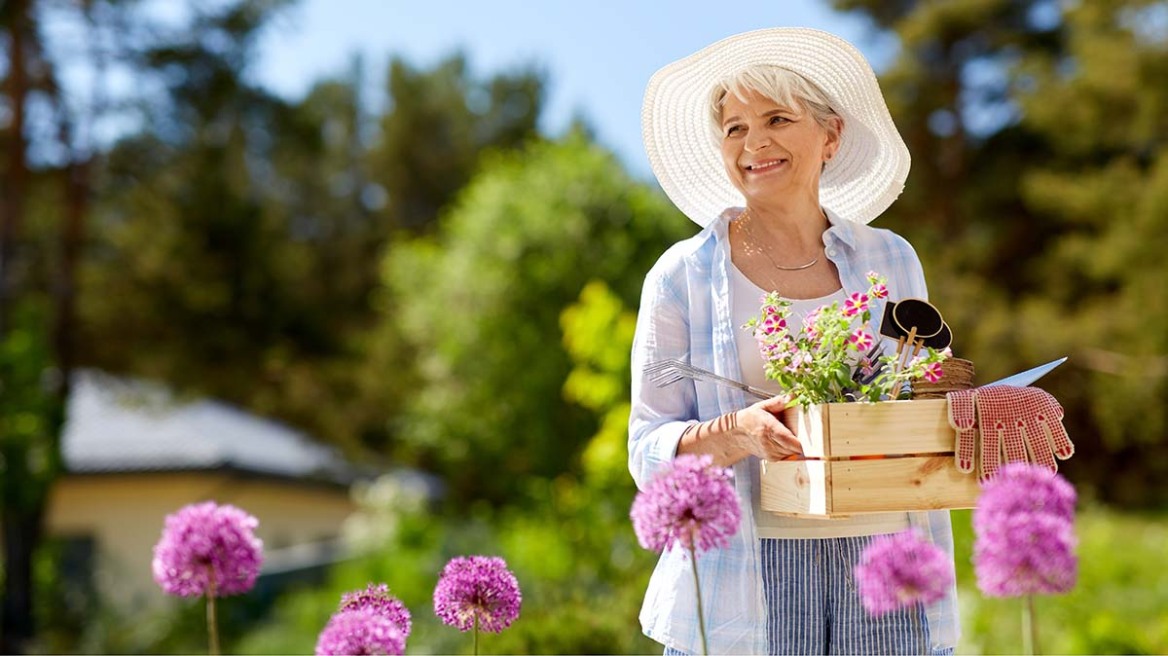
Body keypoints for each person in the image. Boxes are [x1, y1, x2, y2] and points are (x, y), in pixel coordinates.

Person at [629, 28, 959, 655]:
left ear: (831, 135)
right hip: (743, 580)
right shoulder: (684, 275)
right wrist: (738, 432)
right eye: (734, 128)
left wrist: (980, 409)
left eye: (777, 118)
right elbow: (646, 452)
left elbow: (924, 397)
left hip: (886, 561)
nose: (754, 143)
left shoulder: (890, 258)